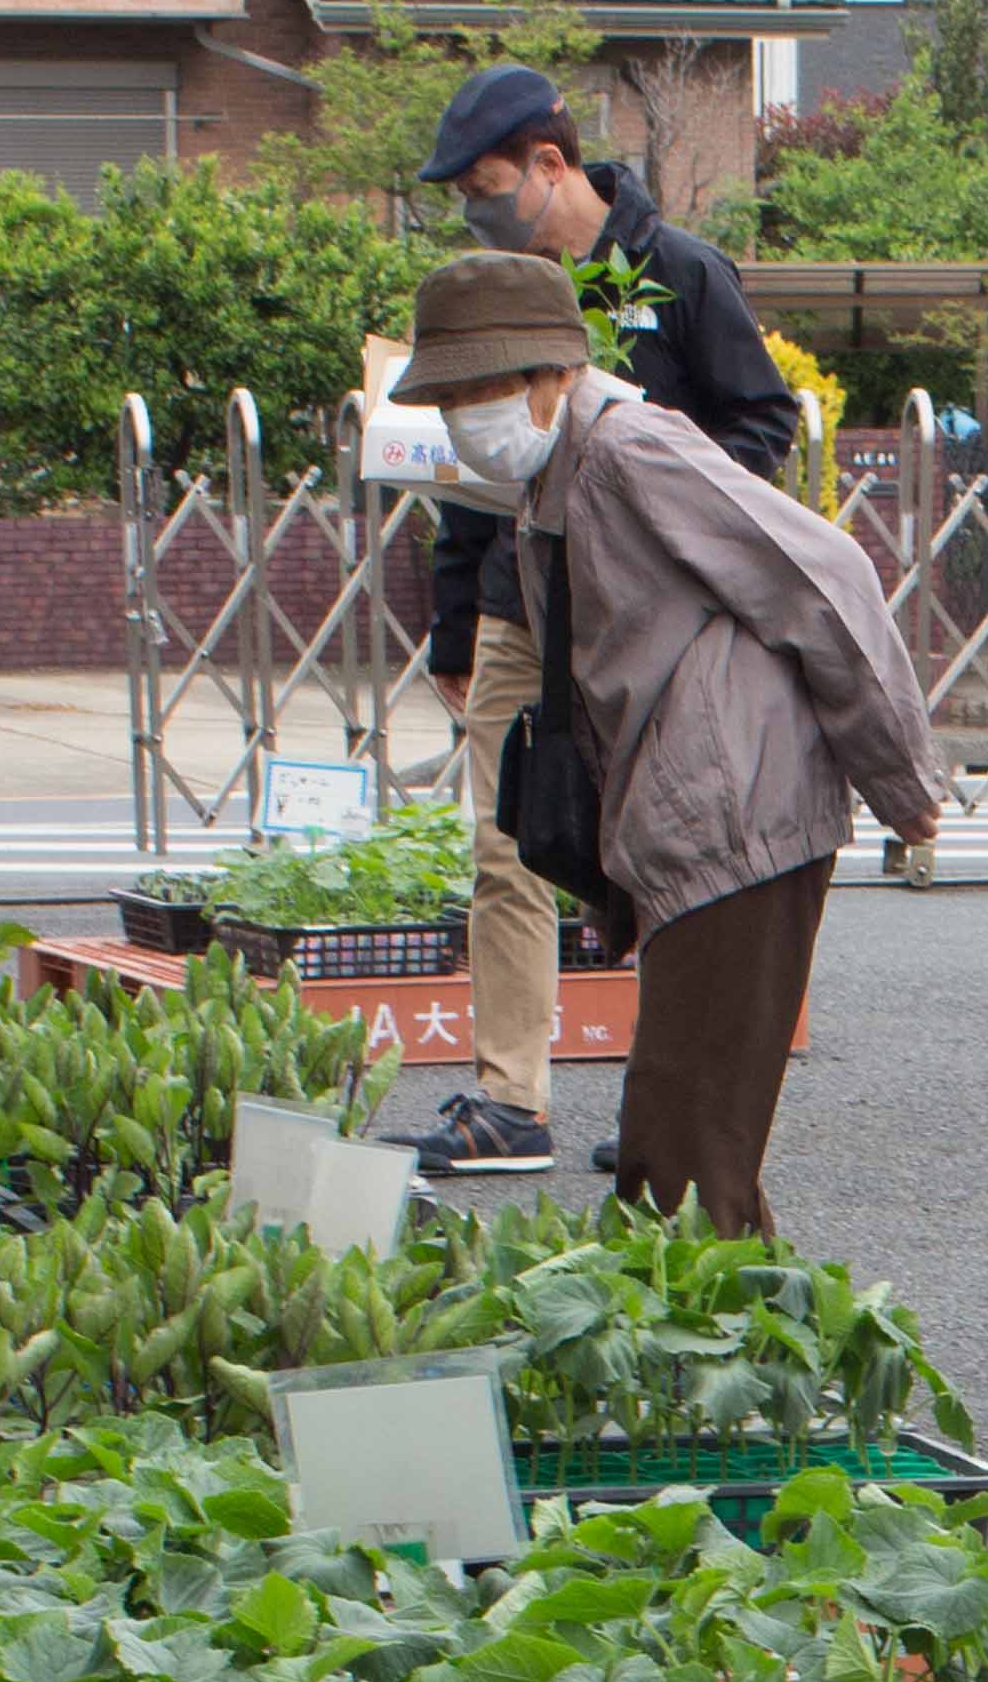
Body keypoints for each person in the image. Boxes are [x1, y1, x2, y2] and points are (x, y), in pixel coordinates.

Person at [386, 253, 936, 1245]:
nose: (468, 413)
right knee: (689, 1159)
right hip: (696, 824)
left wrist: (901, 780)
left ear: (557, 371)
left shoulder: (629, 451)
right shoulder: (557, 474)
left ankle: (726, 1377)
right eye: (450, 394)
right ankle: (752, 1374)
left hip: (741, 815)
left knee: (679, 1165)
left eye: (488, 386)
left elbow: (821, 575)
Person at [409, 63, 802, 1182]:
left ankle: (660, 1108)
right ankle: (508, 1098)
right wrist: (454, 624)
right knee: (506, 849)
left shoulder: (678, 273)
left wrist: (659, 499)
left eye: (485, 186)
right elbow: (464, 463)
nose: (474, 212)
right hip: (519, 605)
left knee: (661, 853)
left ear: (549, 163)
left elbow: (763, 421)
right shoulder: (497, 284)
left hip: (646, 613)